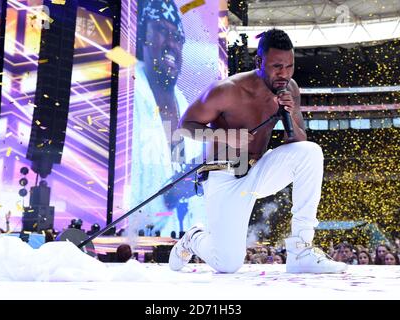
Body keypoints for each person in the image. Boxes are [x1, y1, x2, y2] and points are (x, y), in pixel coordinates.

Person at [168, 28, 347, 273]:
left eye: (289, 66)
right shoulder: (227, 90)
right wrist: (225, 136)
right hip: (224, 176)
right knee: (228, 264)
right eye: (276, 66)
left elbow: (298, 139)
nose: (284, 73)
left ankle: (300, 250)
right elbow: (184, 128)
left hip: (258, 171)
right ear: (259, 62)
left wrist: (286, 113)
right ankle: (195, 237)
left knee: (310, 152)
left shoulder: (290, 89)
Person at [130, 0, 204, 236]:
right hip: (137, 242)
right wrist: (170, 196)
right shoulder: (128, 97)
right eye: (162, 30)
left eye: (178, 38)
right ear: (144, 35)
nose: (171, 44)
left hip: (186, 240)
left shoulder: (187, 107)